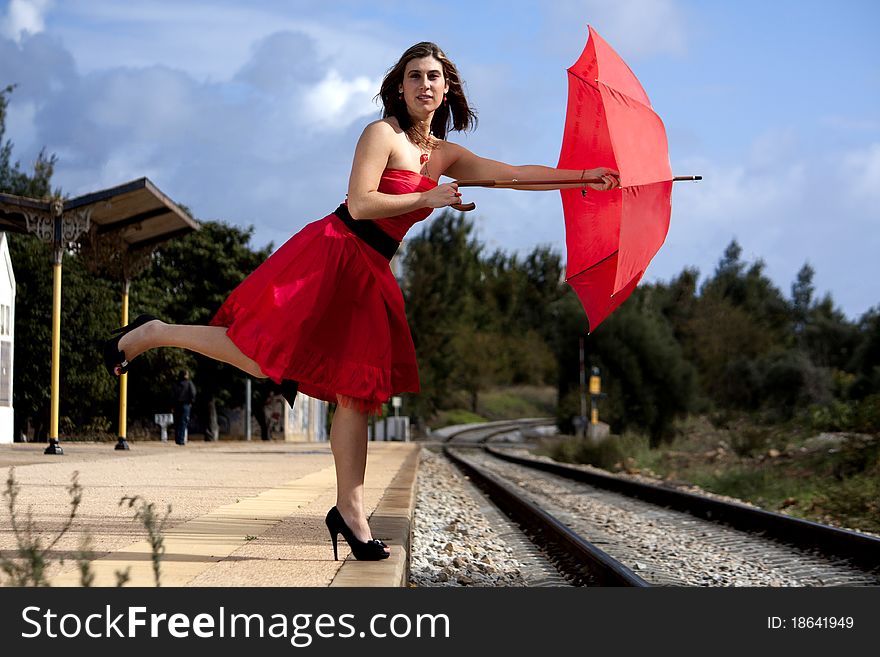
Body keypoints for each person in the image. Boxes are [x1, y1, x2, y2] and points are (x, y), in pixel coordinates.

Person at [102, 42, 619, 561]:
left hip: (371, 271)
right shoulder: (382, 134)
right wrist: (427, 197)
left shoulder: (444, 154)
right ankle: (154, 332)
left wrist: (584, 178)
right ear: (400, 86)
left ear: (447, 88)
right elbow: (361, 203)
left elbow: (511, 174)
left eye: (434, 76)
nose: (424, 85)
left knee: (355, 393)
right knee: (262, 361)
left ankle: (350, 512)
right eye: (414, 76)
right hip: (333, 252)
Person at [170, 369, 197, 445]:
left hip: (176, 405)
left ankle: (177, 439)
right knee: (183, 422)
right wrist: (191, 402)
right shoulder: (189, 383)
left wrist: (172, 405)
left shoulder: (175, 384)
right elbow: (193, 393)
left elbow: (172, 395)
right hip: (186, 405)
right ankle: (181, 440)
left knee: (177, 422)